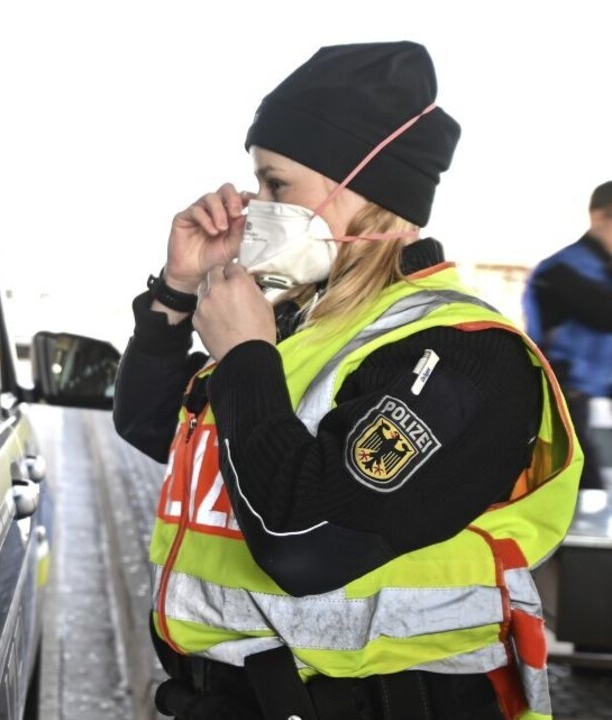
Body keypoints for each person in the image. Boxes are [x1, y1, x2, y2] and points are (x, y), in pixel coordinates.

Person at [114, 43, 580, 720]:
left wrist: (247, 356)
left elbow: (306, 545)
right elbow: (153, 425)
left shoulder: (459, 355)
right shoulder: (307, 326)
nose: (252, 207)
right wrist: (177, 292)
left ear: (365, 189)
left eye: (276, 186)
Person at [523, 182, 612, 491]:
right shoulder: (560, 270)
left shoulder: (602, 266)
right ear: (600, 217)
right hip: (565, 399)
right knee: (583, 491)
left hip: (598, 395)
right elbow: (603, 313)